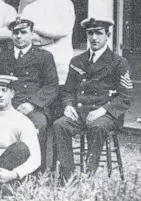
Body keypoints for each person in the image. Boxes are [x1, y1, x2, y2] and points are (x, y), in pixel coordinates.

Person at [53, 18, 131, 182]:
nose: (94, 38)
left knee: (98, 126)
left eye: (99, 33)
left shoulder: (118, 62)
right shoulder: (77, 61)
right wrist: (68, 105)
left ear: (107, 35)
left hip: (106, 114)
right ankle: (69, 176)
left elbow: (124, 96)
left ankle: (88, 174)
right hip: (80, 112)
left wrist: (102, 110)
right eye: (90, 33)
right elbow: (67, 91)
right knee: (59, 124)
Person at [0, 16, 58, 169]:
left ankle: (35, 171)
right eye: (16, 33)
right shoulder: (2, 58)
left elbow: (51, 86)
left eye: (23, 32)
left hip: (34, 106)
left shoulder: (44, 56)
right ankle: (2, 168)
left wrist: (32, 104)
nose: (19, 36)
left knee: (38, 124)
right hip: (8, 105)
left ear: (31, 34)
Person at [21, 0, 75, 84]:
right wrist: (51, 38)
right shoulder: (29, 9)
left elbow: (63, 31)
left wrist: (34, 26)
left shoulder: (65, 4)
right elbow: (27, 37)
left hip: (60, 62)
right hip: (36, 64)